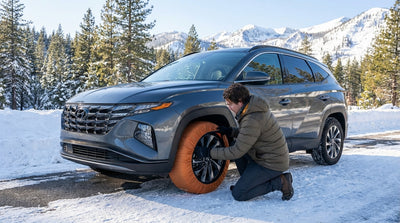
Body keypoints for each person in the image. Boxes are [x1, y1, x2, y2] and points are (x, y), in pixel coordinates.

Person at [210, 83, 294, 201]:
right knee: (236, 143)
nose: (229, 107)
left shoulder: (252, 118)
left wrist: (210, 153)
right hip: (264, 156)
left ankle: (280, 182)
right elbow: (250, 134)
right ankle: (248, 184)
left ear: (239, 102)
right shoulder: (251, 108)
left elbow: (236, 152)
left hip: (272, 163)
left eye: (230, 104)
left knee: (239, 194)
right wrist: (232, 132)